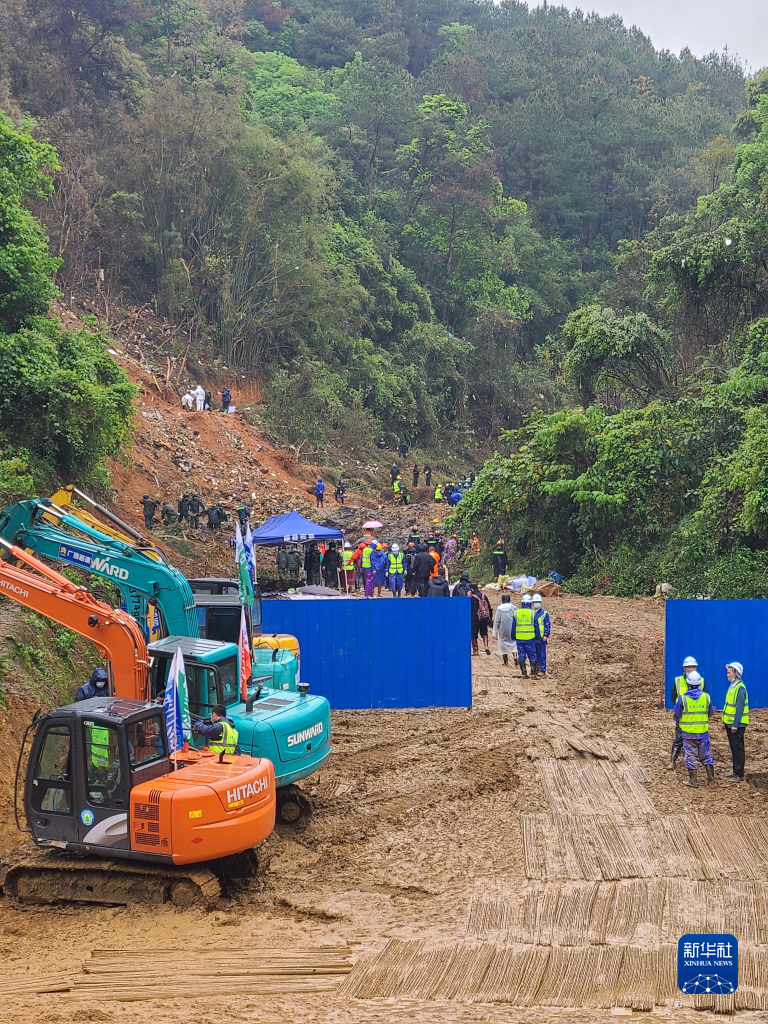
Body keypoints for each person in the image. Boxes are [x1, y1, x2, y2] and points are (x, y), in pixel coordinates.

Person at [673, 670, 715, 787]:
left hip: (688, 734)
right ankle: (711, 780)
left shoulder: (683, 698)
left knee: (690, 756)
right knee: (706, 756)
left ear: (688, 684)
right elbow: (710, 712)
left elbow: (677, 714)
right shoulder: (706, 697)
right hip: (702, 732)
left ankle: (693, 781)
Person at [667, 656, 707, 769]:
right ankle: (672, 761)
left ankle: (697, 761)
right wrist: (681, 708)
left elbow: (706, 697)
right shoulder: (678, 680)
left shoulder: (701, 681)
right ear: (684, 668)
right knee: (679, 738)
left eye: (693, 667)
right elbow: (673, 696)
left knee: (698, 738)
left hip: (696, 717)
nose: (691, 669)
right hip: (682, 716)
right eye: (689, 667)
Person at [722, 661, 749, 782]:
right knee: (733, 748)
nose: (727, 675)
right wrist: (724, 721)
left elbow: (739, 709)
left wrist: (735, 724)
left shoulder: (740, 688)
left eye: (729, 672)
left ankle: (739, 774)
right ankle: (735, 771)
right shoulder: (732, 687)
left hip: (736, 725)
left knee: (738, 749)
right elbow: (728, 706)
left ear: (736, 674)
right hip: (730, 723)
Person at [514, 593, 538, 678]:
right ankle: (533, 673)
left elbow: (513, 626)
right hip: (530, 638)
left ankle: (524, 673)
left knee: (521, 655)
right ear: (530, 603)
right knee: (532, 655)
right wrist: (538, 637)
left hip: (519, 638)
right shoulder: (533, 613)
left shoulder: (516, 613)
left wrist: (513, 636)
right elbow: (536, 627)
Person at [493, 594, 517, 666]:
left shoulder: (499, 609)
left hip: (503, 629)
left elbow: (497, 621)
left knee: (503, 644)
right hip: (512, 628)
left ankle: (505, 662)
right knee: (514, 643)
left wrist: (495, 632)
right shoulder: (513, 607)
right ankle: (515, 656)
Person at [470, 584, 492, 656]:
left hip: (475, 618)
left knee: (474, 634)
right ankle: (486, 646)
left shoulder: (471, 598)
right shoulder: (484, 595)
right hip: (484, 617)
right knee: (484, 632)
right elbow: (489, 606)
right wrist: (490, 618)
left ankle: (475, 651)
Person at [532, 593, 551, 676]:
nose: (536, 603)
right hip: (534, 637)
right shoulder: (532, 613)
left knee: (542, 654)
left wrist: (546, 635)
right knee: (534, 654)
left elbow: (547, 625)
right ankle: (536, 669)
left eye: (537, 601)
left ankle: (542, 670)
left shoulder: (544, 613)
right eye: (535, 602)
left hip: (542, 638)